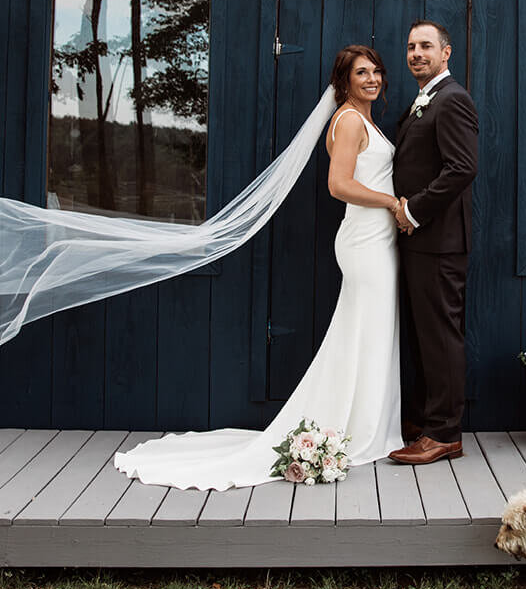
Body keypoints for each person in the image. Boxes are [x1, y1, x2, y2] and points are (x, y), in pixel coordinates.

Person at [113, 45, 405, 489]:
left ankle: (369, 424)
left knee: (369, 331)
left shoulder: (363, 120)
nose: (372, 79)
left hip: (376, 239)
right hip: (365, 241)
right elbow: (338, 185)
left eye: (376, 71)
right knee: (365, 329)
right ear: (343, 82)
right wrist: (390, 202)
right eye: (361, 73)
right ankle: (359, 429)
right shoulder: (347, 120)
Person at [388, 21, 479, 466]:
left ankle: (445, 433)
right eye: (411, 47)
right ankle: (424, 420)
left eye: (426, 46)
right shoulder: (424, 100)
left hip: (439, 240)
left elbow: (462, 168)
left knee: (442, 336)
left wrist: (413, 210)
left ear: (447, 53)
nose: (416, 53)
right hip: (420, 243)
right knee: (425, 336)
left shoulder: (453, 99)